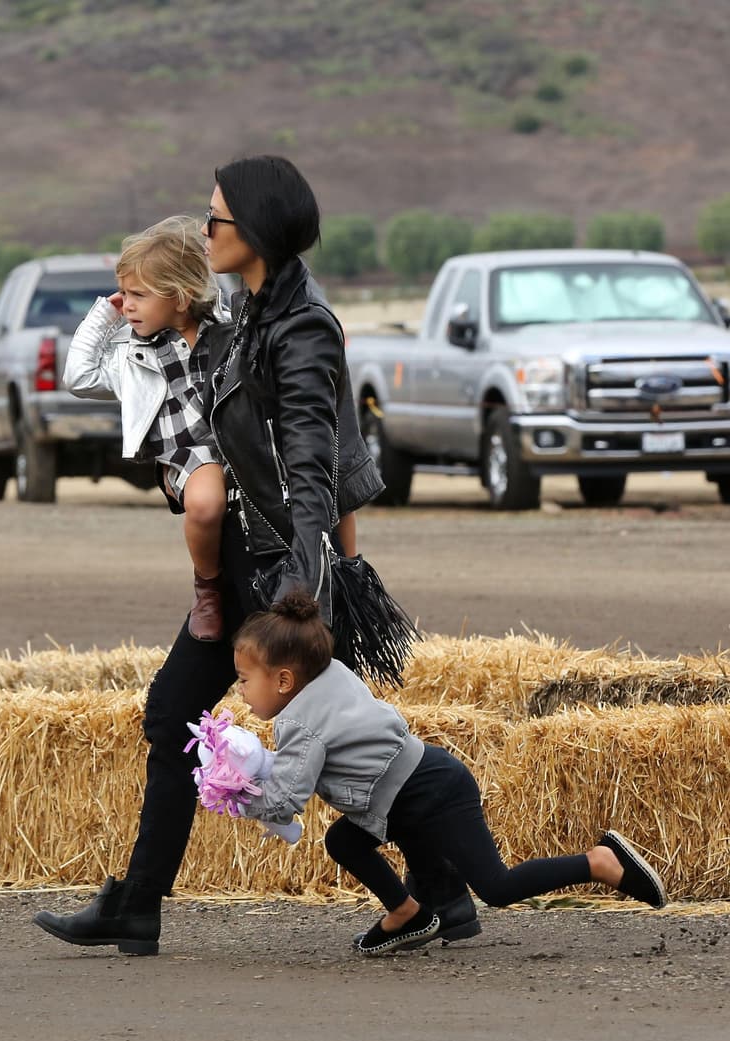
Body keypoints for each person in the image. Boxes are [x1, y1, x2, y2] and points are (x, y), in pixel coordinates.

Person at [33, 154, 478, 954]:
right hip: (251, 565)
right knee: (177, 715)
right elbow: (238, 450)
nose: (205, 233)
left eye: (216, 220)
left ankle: (447, 889)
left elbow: (313, 463)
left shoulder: (299, 327)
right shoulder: (255, 314)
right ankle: (139, 902)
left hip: (282, 577)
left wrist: (310, 588)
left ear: (257, 232)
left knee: (337, 740)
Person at [225, 589, 667, 955]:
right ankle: (429, 912)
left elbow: (285, 800)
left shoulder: (298, 724)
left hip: (432, 792)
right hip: (408, 791)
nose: (240, 690)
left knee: (497, 885)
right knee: (344, 839)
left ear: (284, 681)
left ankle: (599, 862)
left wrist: (234, 791)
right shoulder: (330, 674)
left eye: (244, 680)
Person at [64, 216, 228, 640]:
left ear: (180, 296)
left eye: (137, 295)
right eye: (124, 294)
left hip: (236, 446)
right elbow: (78, 377)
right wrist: (105, 315)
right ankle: (208, 588)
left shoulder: (224, 333)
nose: (127, 303)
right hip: (187, 456)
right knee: (207, 502)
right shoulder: (131, 358)